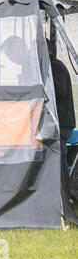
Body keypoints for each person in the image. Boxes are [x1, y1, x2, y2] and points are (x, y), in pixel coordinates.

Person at [47, 39, 77, 204]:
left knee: (58, 160)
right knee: (57, 159)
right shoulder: (52, 66)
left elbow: (58, 92)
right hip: (59, 122)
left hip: (61, 122)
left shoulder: (55, 67)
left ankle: (64, 198)